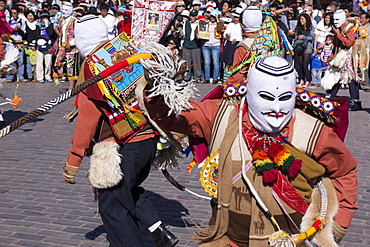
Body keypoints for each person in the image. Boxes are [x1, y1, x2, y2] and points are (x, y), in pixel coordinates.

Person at [143, 55, 358, 247]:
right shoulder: (219, 116)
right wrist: (155, 86)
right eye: (266, 97)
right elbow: (168, 114)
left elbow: (345, 171)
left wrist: (337, 226)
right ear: (251, 91)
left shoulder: (313, 131)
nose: (276, 109)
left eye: (284, 98)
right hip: (228, 241)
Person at [62, 14, 179, 247]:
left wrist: (74, 159)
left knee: (112, 204)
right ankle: (159, 232)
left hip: (123, 144)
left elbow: (88, 116)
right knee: (129, 189)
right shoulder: (127, 51)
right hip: (148, 140)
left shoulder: (91, 66)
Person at [323, 10, 363, 111]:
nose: (335, 21)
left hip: (349, 56)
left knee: (350, 78)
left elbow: (348, 43)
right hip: (339, 56)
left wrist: (338, 34)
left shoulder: (350, 28)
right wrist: (332, 55)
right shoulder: (336, 28)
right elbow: (336, 44)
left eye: (337, 19)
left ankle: (356, 101)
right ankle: (331, 96)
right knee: (336, 75)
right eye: (334, 19)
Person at [200, 8, 223, 84]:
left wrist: (217, 19)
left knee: (215, 62)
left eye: (214, 16)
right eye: (211, 16)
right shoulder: (206, 23)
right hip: (206, 45)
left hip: (215, 45)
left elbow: (220, 29)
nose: (212, 18)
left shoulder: (219, 23)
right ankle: (207, 78)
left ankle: (215, 78)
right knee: (206, 62)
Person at [294, 13, 314, 88]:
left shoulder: (311, 27)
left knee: (305, 64)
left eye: (302, 19)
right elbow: (296, 37)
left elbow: (312, 38)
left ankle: (308, 80)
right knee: (300, 64)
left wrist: (303, 37)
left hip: (307, 47)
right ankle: (301, 79)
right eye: (300, 19)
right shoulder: (298, 27)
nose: (301, 21)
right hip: (299, 46)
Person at [182, 10, 202, 83]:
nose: (191, 17)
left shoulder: (199, 23)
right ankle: (186, 76)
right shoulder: (186, 23)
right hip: (187, 45)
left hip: (195, 45)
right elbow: (184, 33)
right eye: (190, 15)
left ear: (196, 16)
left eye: (193, 16)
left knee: (196, 62)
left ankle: (197, 76)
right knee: (187, 62)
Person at [35, 11, 54, 83]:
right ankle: (40, 77)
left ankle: (47, 76)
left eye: (46, 18)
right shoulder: (37, 25)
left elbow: (51, 34)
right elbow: (37, 35)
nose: (44, 19)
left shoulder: (50, 25)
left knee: (48, 62)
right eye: (43, 18)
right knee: (39, 62)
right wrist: (43, 39)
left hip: (48, 46)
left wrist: (47, 26)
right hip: (40, 45)